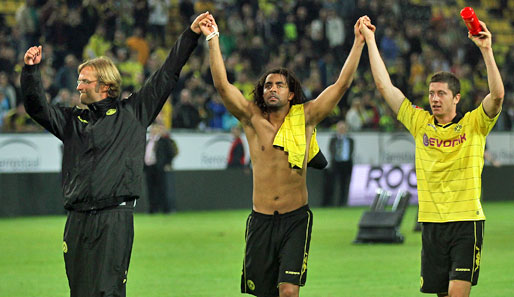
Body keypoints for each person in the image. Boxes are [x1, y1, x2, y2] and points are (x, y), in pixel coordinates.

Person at [20, 12, 211, 297]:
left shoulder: (133, 113)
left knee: (108, 292)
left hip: (114, 219)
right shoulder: (72, 121)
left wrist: (191, 34)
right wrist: (31, 73)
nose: (78, 86)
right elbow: (37, 108)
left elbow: (167, 73)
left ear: (105, 86)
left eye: (85, 80)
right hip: (77, 220)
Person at [200, 15, 367, 297]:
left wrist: (359, 42)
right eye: (267, 85)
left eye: (278, 85)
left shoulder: (306, 117)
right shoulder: (251, 118)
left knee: (289, 291)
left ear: (291, 93)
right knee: (263, 292)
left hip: (295, 219)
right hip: (261, 221)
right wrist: (212, 38)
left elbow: (341, 85)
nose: (272, 89)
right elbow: (222, 85)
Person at [359, 17, 504, 297]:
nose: (434, 99)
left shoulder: (474, 124)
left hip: (466, 221)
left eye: (441, 93)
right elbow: (384, 87)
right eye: (431, 93)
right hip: (431, 223)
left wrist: (487, 51)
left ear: (457, 98)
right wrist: (371, 41)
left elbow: (497, 96)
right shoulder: (420, 123)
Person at [144, 121, 178, 213]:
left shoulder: (164, 140)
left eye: (155, 129)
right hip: (149, 168)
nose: (153, 131)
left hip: (160, 167)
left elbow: (171, 152)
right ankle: (152, 209)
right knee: (151, 189)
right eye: (152, 129)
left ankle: (166, 209)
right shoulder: (148, 141)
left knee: (162, 189)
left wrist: (167, 163)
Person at [322, 120, 354, 207]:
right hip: (336, 163)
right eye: (340, 128)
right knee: (331, 184)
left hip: (346, 164)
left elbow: (351, 151)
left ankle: (342, 203)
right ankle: (329, 203)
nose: (342, 130)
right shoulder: (333, 139)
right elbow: (330, 150)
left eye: (343, 128)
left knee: (344, 184)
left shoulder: (350, 140)